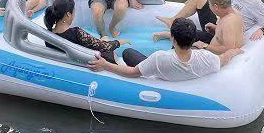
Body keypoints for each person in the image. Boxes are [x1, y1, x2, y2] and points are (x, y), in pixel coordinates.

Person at [89, 17, 242, 80]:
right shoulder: (206, 58)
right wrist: (235, 51)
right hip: (183, 63)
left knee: (128, 52)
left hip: (158, 72)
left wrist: (106, 65)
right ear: (194, 39)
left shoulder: (160, 58)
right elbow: (224, 58)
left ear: (173, 39)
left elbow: (134, 73)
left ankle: (115, 56)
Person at [44, 0, 129, 64]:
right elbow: (105, 47)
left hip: (68, 63)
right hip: (89, 64)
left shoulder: (48, 34)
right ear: (68, 14)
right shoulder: (76, 33)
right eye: (74, 12)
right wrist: (119, 42)